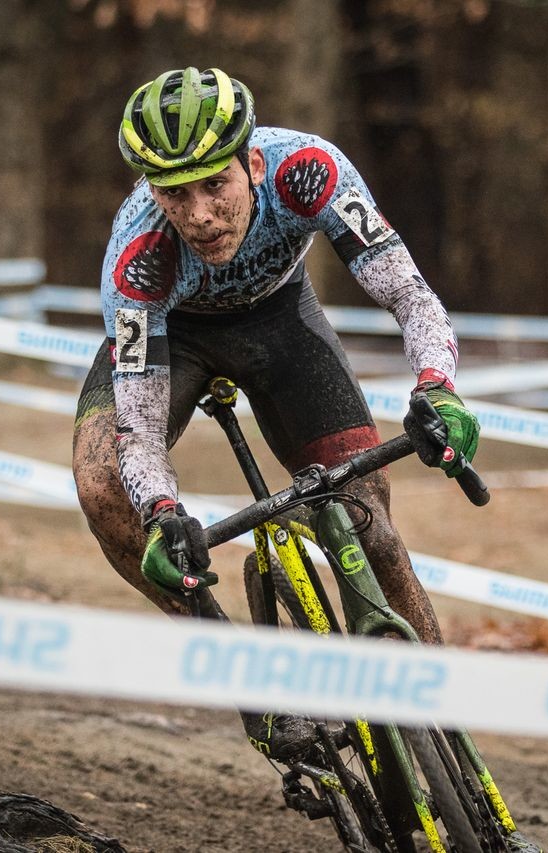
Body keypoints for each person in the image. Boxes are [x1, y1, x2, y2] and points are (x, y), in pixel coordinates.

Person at [72, 66, 481, 760]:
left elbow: (410, 295)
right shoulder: (139, 259)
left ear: (253, 163)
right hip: (178, 337)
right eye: (175, 193)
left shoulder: (309, 172)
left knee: (368, 520)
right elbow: (138, 425)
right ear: (151, 192)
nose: (199, 213)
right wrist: (164, 509)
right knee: (103, 482)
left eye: (216, 184)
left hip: (281, 320)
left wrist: (437, 386)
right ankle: (246, 682)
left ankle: (451, 744)